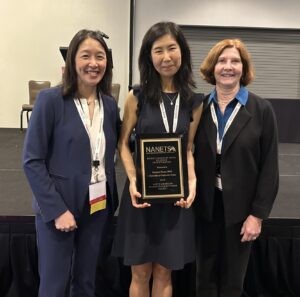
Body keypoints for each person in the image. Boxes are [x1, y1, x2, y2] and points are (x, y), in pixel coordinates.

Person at [23, 29, 121, 297]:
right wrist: (56, 211)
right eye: (86, 55)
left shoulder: (110, 105)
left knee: (86, 281)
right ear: (71, 62)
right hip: (60, 206)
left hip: (97, 206)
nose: (93, 63)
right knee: (54, 285)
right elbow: (32, 161)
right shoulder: (50, 101)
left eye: (100, 57)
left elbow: (122, 147)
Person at [112, 22, 203, 297]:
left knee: (165, 271)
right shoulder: (136, 96)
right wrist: (131, 180)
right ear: (148, 56)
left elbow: (188, 149)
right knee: (140, 272)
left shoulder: (195, 102)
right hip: (142, 196)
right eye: (158, 50)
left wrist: (192, 182)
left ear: (182, 52)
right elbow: (123, 144)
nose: (166, 57)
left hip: (175, 198)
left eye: (172, 49)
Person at [193, 38, 279, 297]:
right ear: (212, 67)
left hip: (242, 211)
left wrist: (257, 215)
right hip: (205, 207)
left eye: (235, 61)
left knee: (233, 282)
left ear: (244, 68)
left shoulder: (262, 110)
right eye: (221, 61)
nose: (228, 67)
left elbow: (270, 167)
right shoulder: (199, 108)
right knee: (203, 279)